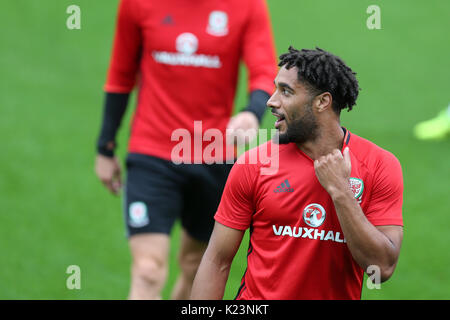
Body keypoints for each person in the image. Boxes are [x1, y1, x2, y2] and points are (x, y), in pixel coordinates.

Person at [94, 0, 277, 299]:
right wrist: (105, 147)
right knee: (147, 270)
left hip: (215, 155)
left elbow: (263, 70)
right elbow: (120, 75)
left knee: (196, 268)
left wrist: (252, 112)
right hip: (152, 151)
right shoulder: (137, 4)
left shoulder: (248, 5)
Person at [191, 47, 404, 300]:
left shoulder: (379, 165)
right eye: (275, 89)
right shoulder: (255, 164)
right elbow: (217, 260)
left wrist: (341, 192)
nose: (271, 101)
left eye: (286, 92)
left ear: (322, 102)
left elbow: (381, 268)